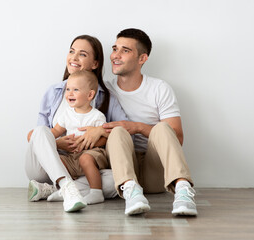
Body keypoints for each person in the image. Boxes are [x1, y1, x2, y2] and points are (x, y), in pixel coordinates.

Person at [25, 35, 128, 212]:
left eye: (82, 54)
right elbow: (35, 136)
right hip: (48, 165)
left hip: (83, 165)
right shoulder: (54, 92)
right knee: (42, 130)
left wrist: (99, 132)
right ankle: (65, 185)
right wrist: (55, 143)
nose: (73, 57)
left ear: (95, 63)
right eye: (72, 51)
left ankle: (55, 189)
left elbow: (124, 131)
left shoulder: (105, 96)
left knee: (114, 181)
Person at [101, 28, 197, 216]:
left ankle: (183, 191)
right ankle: (132, 193)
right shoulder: (104, 89)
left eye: (125, 50)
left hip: (156, 172)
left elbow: (177, 136)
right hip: (123, 169)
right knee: (118, 131)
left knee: (163, 128)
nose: (115, 55)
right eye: (115, 48)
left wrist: (136, 127)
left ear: (142, 59)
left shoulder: (159, 88)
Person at [28, 70, 110, 205]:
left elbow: (104, 138)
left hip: (92, 154)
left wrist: (90, 144)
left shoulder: (97, 116)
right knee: (59, 161)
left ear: (90, 95)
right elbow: (54, 131)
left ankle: (96, 192)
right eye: (68, 89)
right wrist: (44, 139)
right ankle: (64, 189)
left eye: (75, 90)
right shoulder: (66, 115)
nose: (69, 93)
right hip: (72, 156)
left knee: (86, 158)